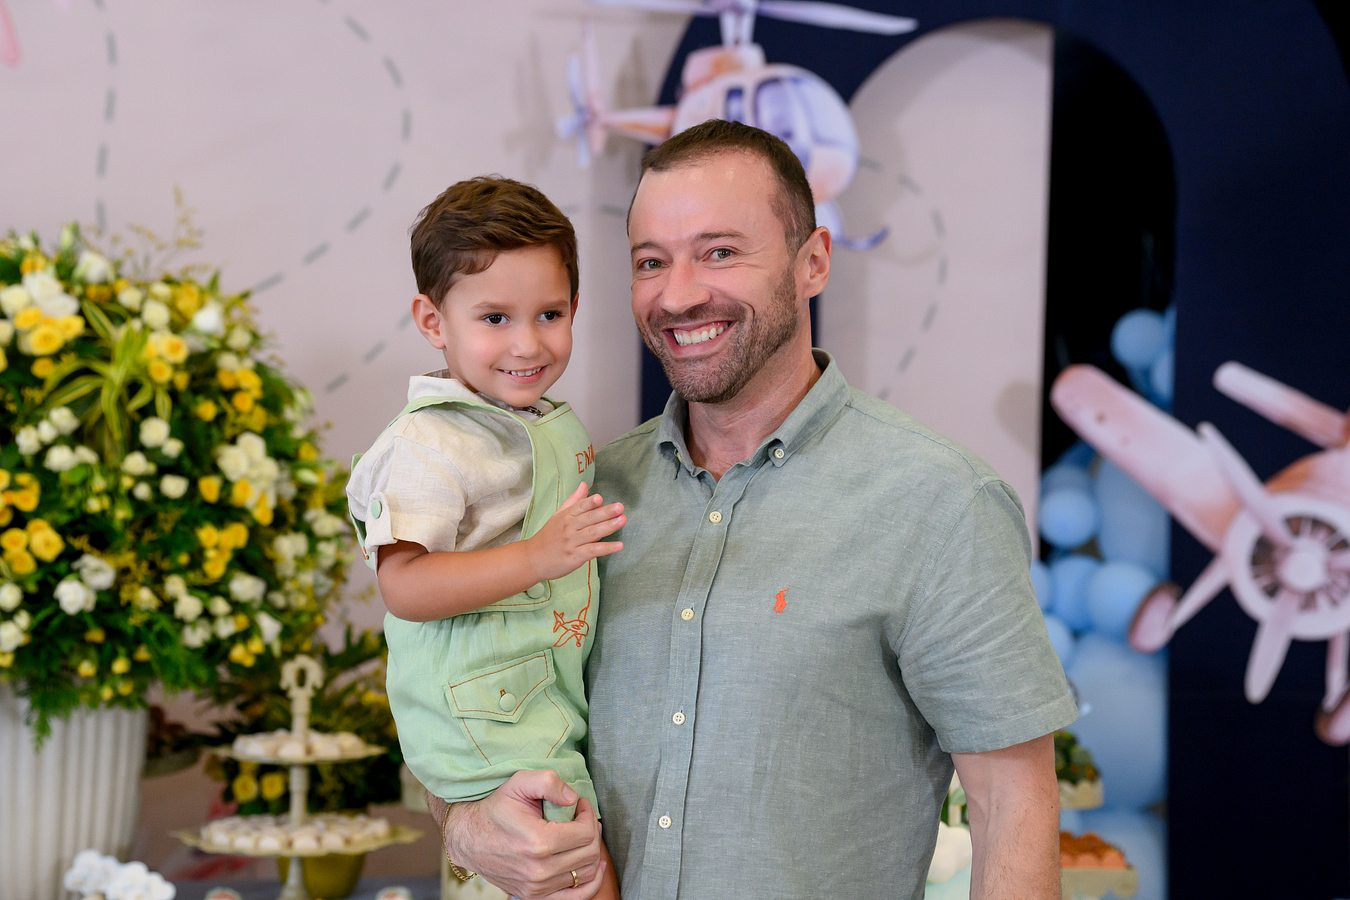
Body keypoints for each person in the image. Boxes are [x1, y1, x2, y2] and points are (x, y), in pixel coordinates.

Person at [433, 122, 1078, 900]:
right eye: (650, 262)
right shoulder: (581, 495)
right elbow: (464, 705)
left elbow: (1013, 805)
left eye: (719, 252)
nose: (678, 295)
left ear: (814, 262)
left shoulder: (939, 502)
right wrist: (465, 825)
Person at [347, 176, 624, 897]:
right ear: (433, 321)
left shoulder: (529, 417)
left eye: (550, 314)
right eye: (495, 318)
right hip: (490, 711)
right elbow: (404, 586)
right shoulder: (430, 443)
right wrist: (537, 556)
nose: (528, 343)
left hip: (540, 692)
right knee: (577, 869)